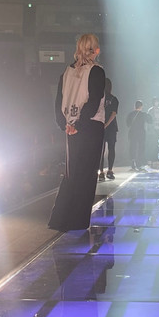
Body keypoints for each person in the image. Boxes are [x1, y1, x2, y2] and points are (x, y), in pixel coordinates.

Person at [48, 34, 106, 231]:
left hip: (69, 126)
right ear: (95, 49)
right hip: (89, 127)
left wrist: (65, 124)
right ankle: (77, 221)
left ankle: (60, 218)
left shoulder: (66, 72)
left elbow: (58, 101)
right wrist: (79, 124)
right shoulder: (96, 71)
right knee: (86, 174)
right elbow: (94, 100)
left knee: (72, 173)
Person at [98, 78, 119, 180]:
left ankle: (101, 172)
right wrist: (107, 124)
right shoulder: (114, 99)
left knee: (100, 150)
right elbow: (114, 113)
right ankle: (110, 170)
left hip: (100, 126)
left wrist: (103, 124)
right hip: (111, 127)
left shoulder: (99, 98)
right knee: (111, 149)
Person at [126, 100, 150, 170]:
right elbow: (150, 121)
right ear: (141, 106)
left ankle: (133, 161)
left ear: (135, 106)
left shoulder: (130, 114)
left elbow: (128, 124)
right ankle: (139, 163)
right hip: (141, 133)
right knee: (141, 148)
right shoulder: (143, 114)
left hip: (132, 133)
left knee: (132, 147)